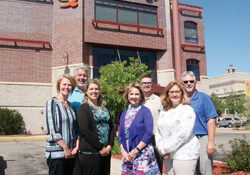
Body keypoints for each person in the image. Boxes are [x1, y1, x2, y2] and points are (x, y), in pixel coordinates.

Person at [155, 81, 200, 175]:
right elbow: (158, 130)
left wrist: (165, 149)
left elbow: (183, 135)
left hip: (184, 154)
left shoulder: (187, 110)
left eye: (177, 92)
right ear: (167, 94)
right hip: (168, 155)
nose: (174, 94)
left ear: (182, 93)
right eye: (171, 92)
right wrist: (161, 148)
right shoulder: (164, 110)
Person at [118, 82, 160, 175]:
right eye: (131, 94)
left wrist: (136, 150)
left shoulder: (145, 111)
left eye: (137, 94)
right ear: (127, 96)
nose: (134, 96)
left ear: (141, 96)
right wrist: (123, 152)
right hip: (127, 156)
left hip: (142, 155)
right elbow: (120, 135)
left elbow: (148, 133)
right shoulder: (124, 113)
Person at [182, 71, 218, 175]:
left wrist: (210, 142)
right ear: (182, 83)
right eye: (186, 81)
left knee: (204, 168)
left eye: (191, 81)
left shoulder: (204, 97)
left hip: (202, 137)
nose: (189, 83)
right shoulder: (180, 99)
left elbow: (211, 120)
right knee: (188, 169)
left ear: (195, 82)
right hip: (186, 139)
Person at [77, 79, 115, 175]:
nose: (94, 91)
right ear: (86, 92)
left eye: (96, 89)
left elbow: (112, 127)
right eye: (91, 89)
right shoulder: (83, 108)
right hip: (91, 153)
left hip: (106, 152)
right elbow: (85, 130)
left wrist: (110, 145)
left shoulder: (105, 108)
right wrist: (100, 148)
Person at [45, 74, 79, 175]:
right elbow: (53, 130)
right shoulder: (52, 103)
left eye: (69, 85)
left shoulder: (72, 106)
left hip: (71, 154)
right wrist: (65, 148)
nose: (66, 87)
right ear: (59, 85)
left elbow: (75, 130)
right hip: (57, 154)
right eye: (64, 84)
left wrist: (76, 148)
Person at [140, 75, 163, 174]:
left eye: (148, 83)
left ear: (152, 84)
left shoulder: (159, 100)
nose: (146, 85)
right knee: (142, 167)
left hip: (155, 138)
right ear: (141, 85)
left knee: (157, 166)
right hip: (140, 139)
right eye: (144, 83)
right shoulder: (136, 100)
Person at [68, 67, 88, 175]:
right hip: (75, 139)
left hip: (89, 139)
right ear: (75, 77)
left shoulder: (91, 92)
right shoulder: (70, 93)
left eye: (84, 75)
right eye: (79, 75)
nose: (82, 78)